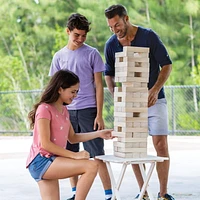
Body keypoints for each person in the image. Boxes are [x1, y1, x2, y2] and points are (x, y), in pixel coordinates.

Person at [104, 4, 174, 200]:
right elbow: (108, 74)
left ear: (126, 19)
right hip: (129, 104)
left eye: (116, 25)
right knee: (132, 145)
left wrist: (155, 89)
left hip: (154, 100)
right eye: (110, 27)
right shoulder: (111, 44)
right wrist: (114, 93)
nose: (114, 30)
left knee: (160, 144)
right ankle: (143, 192)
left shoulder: (148, 36)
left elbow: (167, 65)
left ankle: (163, 193)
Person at [49, 13, 113, 200]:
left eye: (83, 35)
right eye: (76, 35)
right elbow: (54, 87)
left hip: (88, 109)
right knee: (70, 155)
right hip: (66, 111)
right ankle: (75, 194)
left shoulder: (92, 53)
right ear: (68, 31)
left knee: (97, 154)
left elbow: (99, 85)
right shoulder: (59, 56)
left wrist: (99, 114)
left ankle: (109, 194)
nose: (80, 39)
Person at [26, 70, 113, 200]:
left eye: (77, 92)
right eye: (73, 92)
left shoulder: (64, 110)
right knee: (91, 166)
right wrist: (75, 155)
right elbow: (45, 144)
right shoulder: (44, 109)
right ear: (60, 89)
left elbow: (73, 138)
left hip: (50, 161)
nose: (75, 95)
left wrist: (99, 133)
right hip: (41, 161)